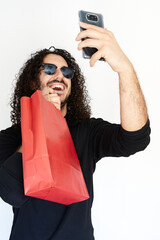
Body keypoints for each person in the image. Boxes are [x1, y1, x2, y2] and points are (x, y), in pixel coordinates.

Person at [0, 21, 150, 240]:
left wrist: (124, 68)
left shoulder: (86, 131)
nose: (60, 76)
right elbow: (12, 193)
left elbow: (136, 139)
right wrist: (41, 121)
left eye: (67, 72)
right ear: (33, 82)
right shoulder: (10, 138)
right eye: (50, 69)